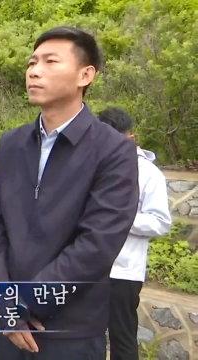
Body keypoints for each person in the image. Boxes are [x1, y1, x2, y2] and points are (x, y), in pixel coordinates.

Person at [0, 26, 140, 359]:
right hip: (8, 323)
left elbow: (97, 244)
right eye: (32, 62)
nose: (35, 70)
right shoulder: (11, 144)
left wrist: (27, 301)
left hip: (71, 330)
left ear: (86, 74)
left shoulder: (112, 150)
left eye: (51, 61)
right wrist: (2, 299)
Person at [96, 107, 172, 360]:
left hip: (122, 272)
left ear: (130, 139)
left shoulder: (149, 174)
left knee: (122, 336)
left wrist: (119, 219)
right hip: (86, 266)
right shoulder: (94, 167)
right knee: (86, 335)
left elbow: (160, 222)